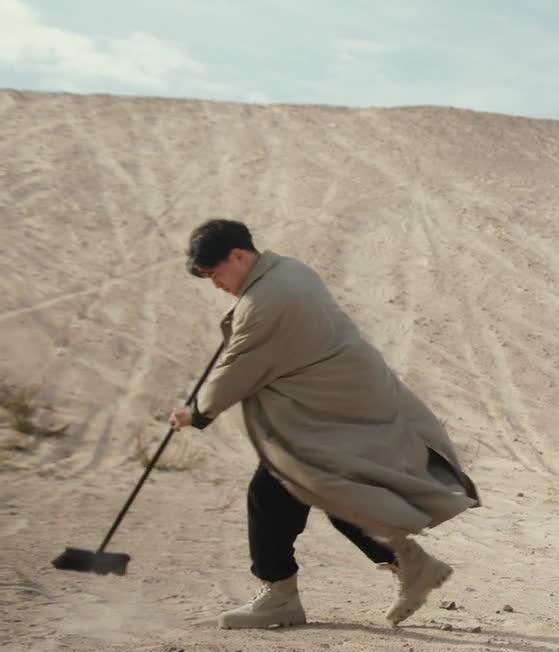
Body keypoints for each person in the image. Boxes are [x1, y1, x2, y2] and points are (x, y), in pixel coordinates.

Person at [169, 218, 481, 630]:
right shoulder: (288, 271)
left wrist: (197, 410)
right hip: (347, 405)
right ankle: (409, 563)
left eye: (215, 273)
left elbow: (240, 367)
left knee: (275, 493)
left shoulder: (265, 301)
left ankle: (281, 596)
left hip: (335, 414)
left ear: (238, 256)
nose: (216, 284)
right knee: (331, 492)